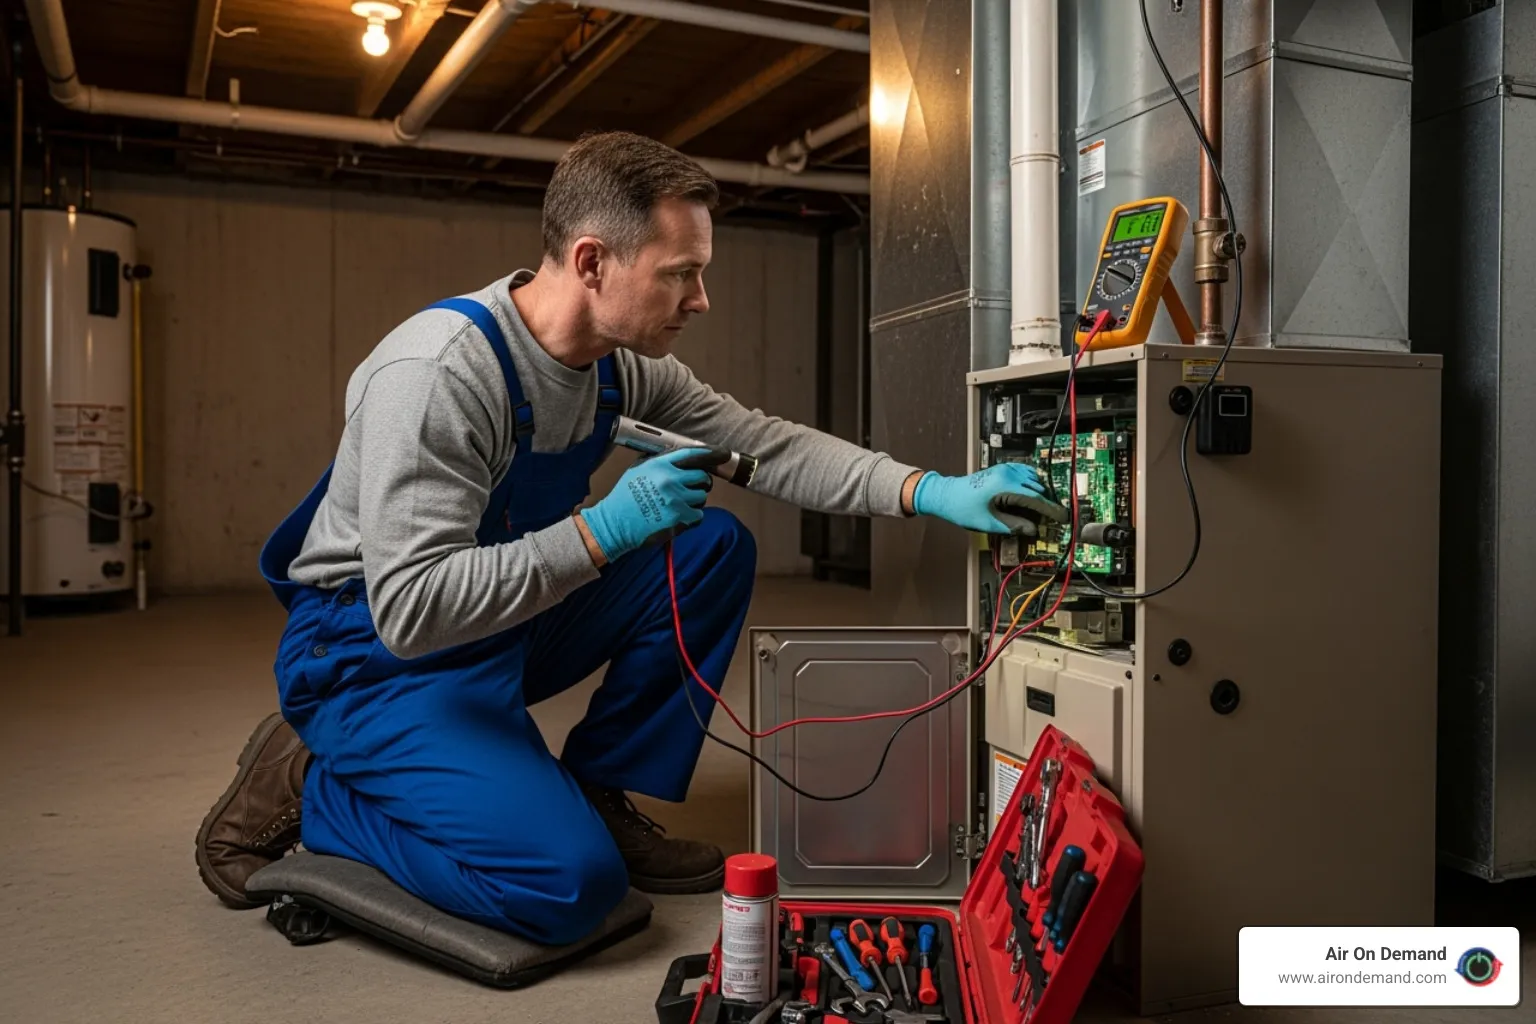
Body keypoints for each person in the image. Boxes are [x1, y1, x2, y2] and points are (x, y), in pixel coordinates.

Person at [195, 131, 1059, 946]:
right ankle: (319, 787)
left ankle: (598, 787)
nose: (701, 298)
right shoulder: (436, 376)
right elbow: (413, 611)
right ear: (591, 262)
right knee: (568, 890)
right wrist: (602, 530)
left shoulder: (622, 368)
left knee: (710, 547)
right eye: (681, 274)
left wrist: (931, 490)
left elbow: (764, 443)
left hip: (498, 622)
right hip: (374, 653)